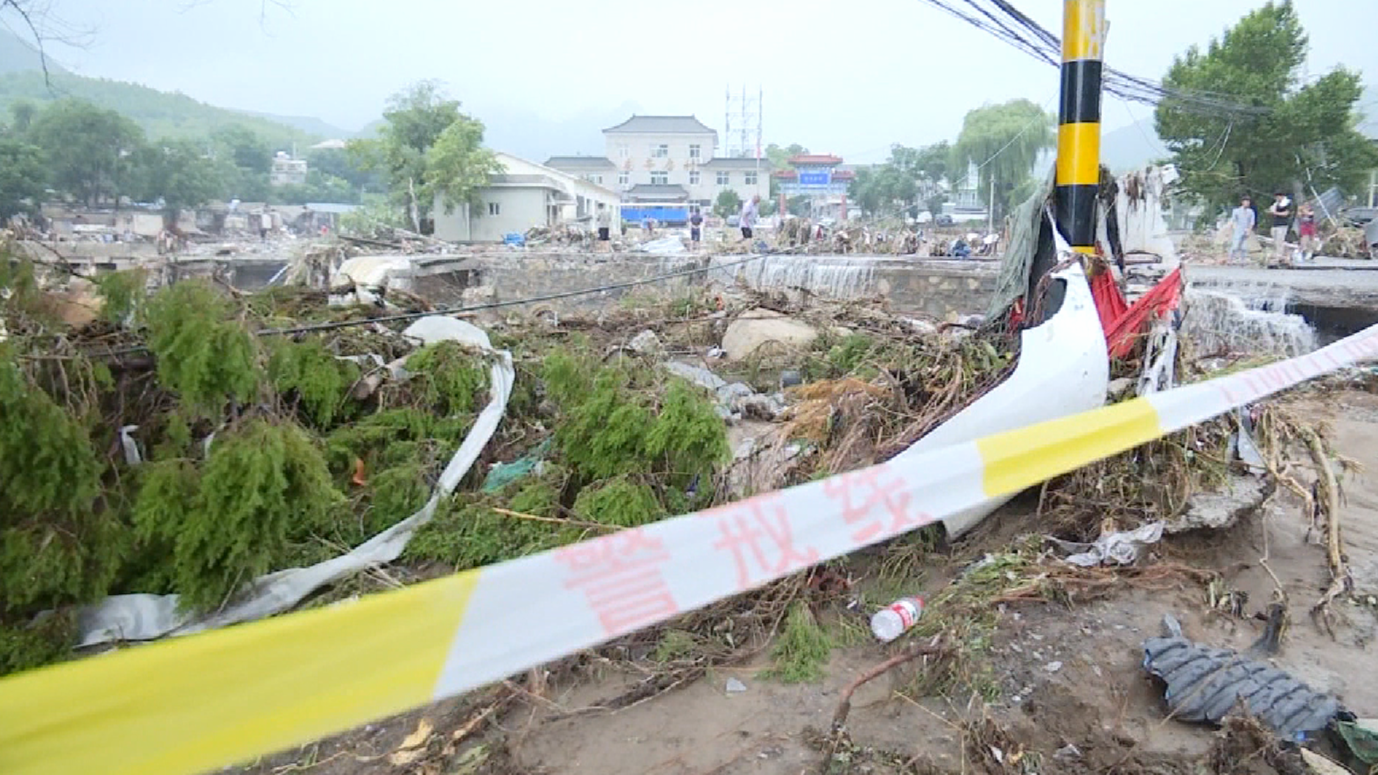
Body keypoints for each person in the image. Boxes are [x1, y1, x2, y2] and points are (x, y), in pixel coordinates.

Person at [1266, 192, 1291, 265]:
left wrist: (1275, 213)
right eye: (1276, 197)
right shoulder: (1275, 204)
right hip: (1274, 224)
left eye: (1279, 196)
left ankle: (1279, 255)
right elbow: (1271, 210)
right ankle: (1276, 254)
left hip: (1282, 225)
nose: (1277, 198)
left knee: (1280, 241)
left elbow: (1286, 213)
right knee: (1274, 241)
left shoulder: (1287, 203)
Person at [1229, 196, 1255, 264]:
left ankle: (1243, 260)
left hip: (1246, 229)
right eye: (1246, 201)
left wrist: (1249, 230)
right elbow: (1233, 220)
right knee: (1235, 245)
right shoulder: (1236, 211)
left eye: (1248, 202)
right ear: (1242, 202)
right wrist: (1233, 228)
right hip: (1238, 229)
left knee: (1244, 247)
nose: (1247, 203)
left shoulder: (1251, 212)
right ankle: (1230, 259)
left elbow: (1252, 222)